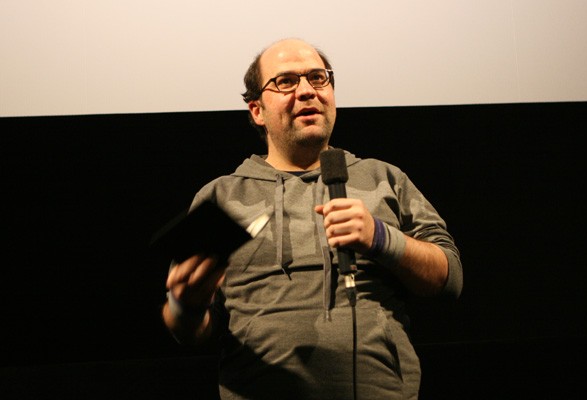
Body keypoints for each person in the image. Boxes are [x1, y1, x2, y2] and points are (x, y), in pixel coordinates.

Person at [162, 38, 463, 400]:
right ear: (257, 110)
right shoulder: (221, 197)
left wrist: (380, 237)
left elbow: (449, 278)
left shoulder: (384, 177)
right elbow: (188, 331)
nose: (307, 91)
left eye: (318, 78)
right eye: (286, 81)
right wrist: (186, 306)